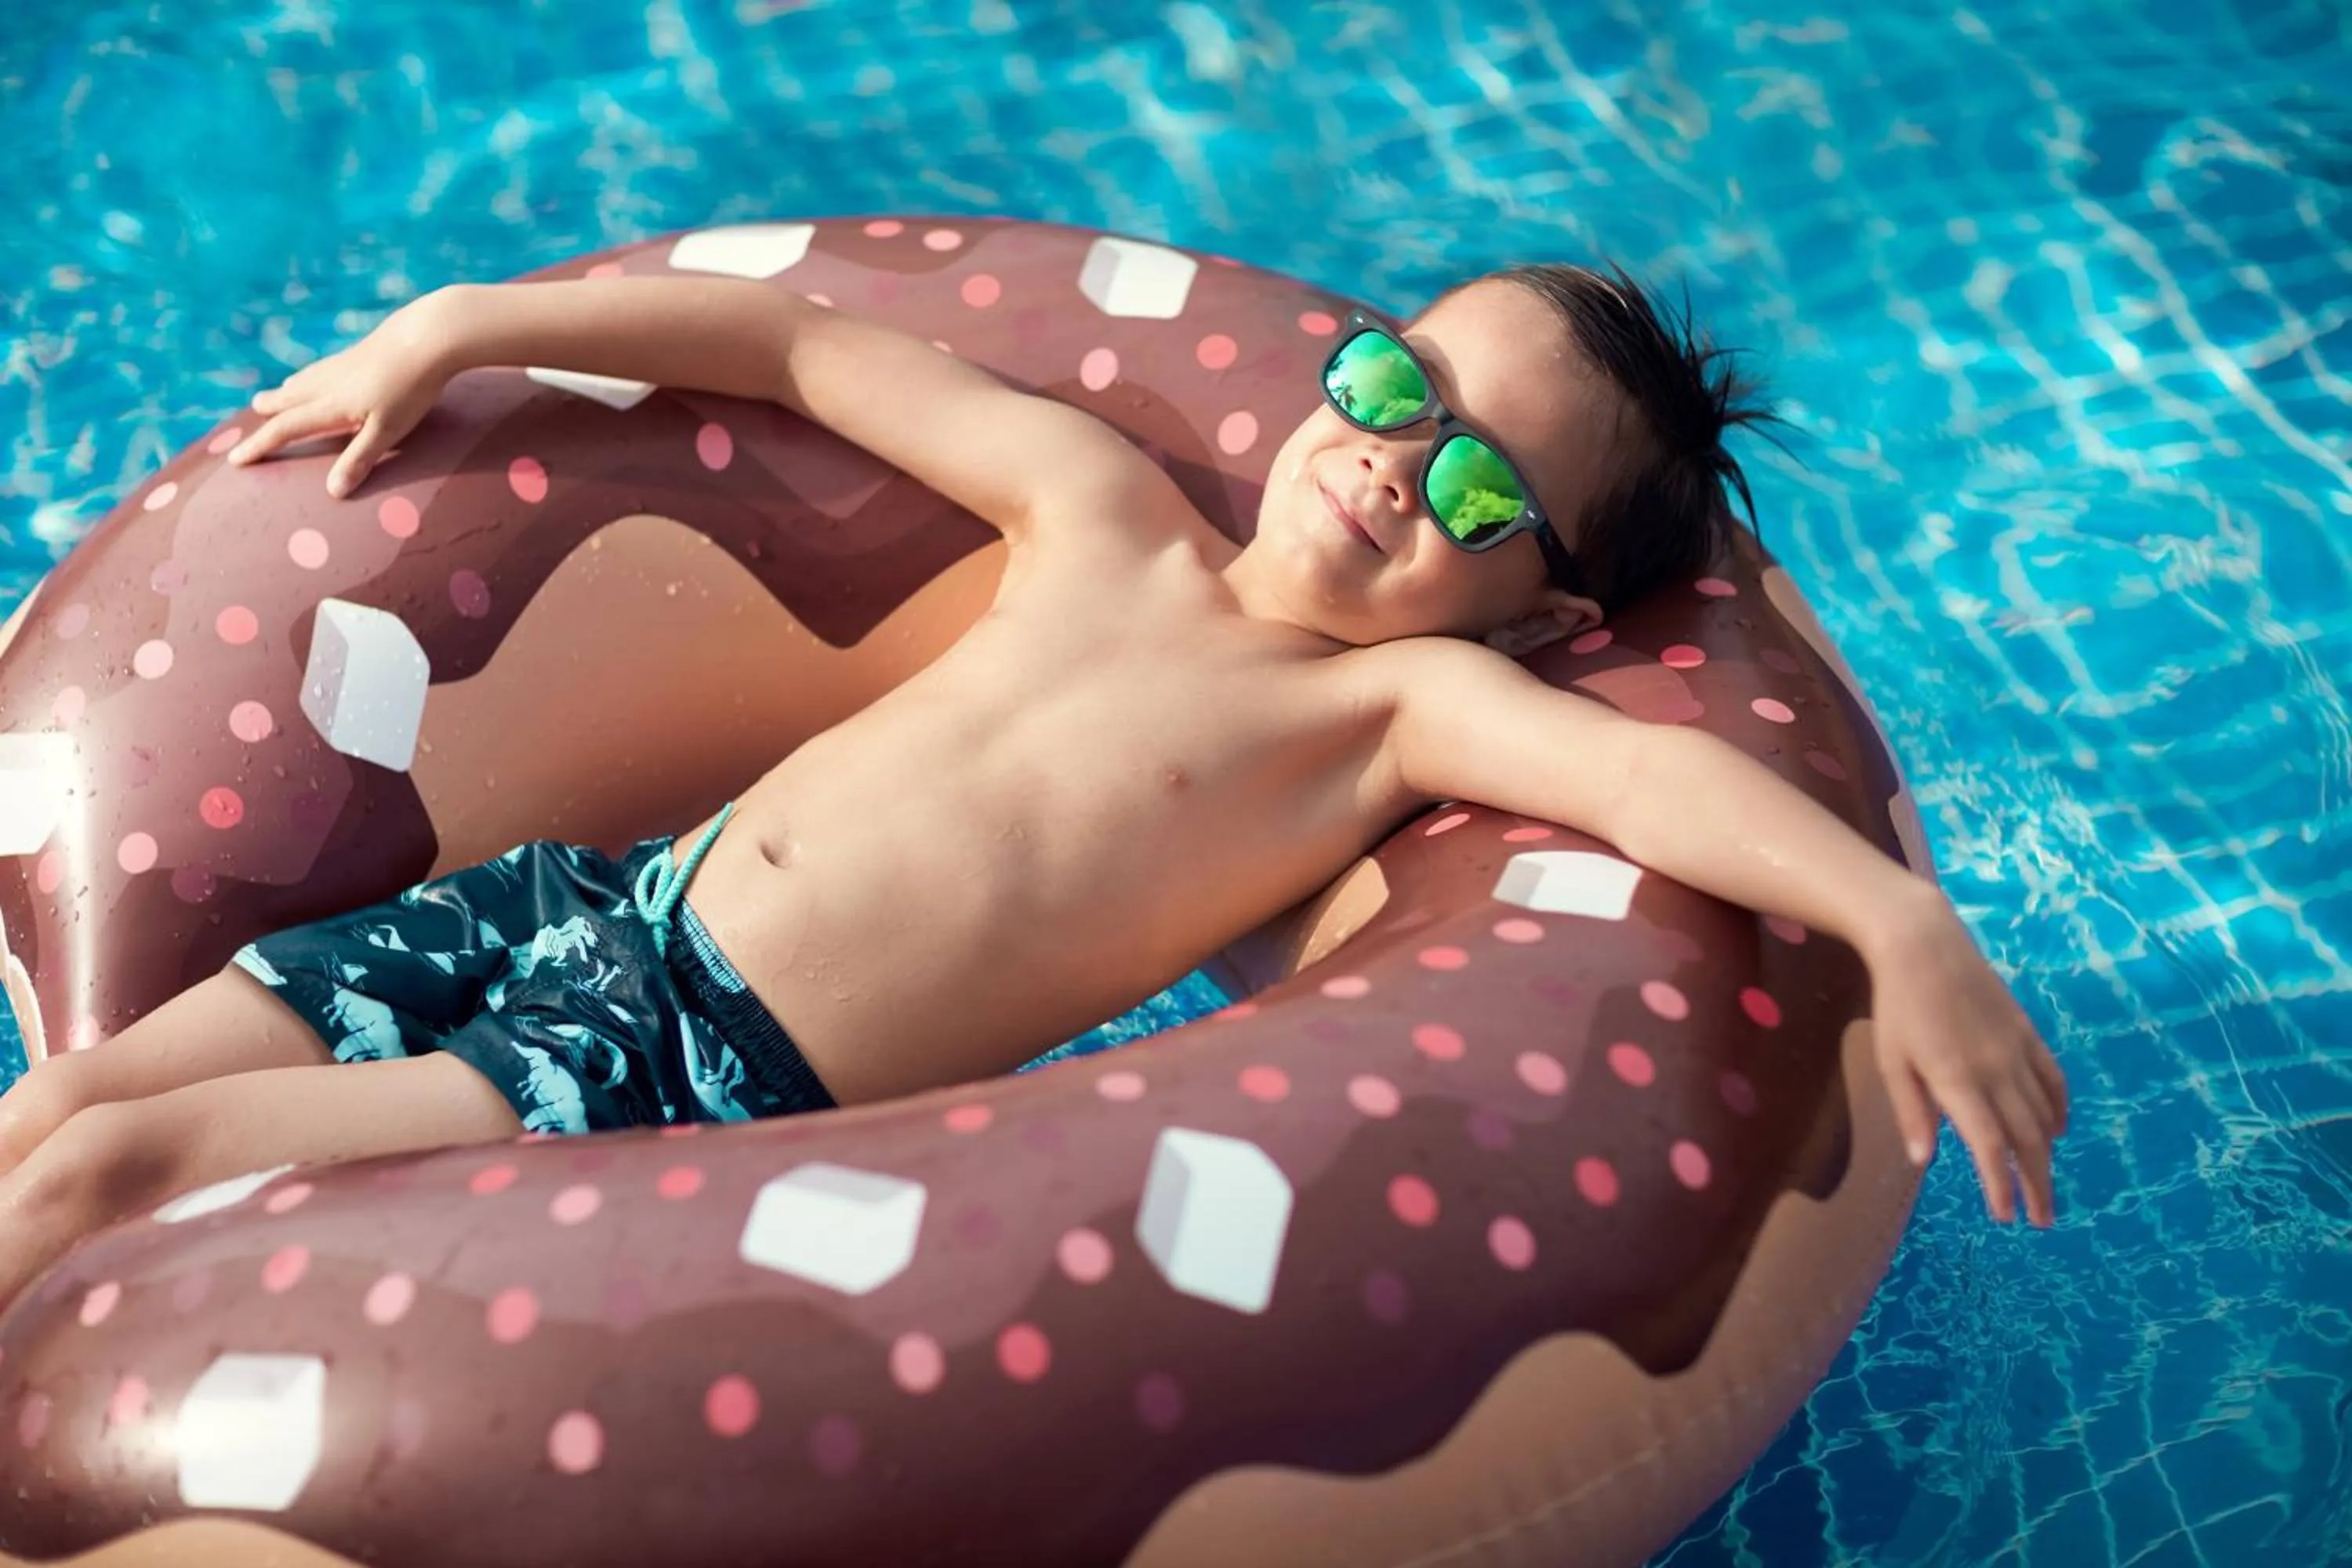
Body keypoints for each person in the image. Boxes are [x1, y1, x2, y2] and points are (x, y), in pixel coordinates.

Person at [0, 258, 2070, 1307]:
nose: (1386, 451)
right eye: (1390, 379)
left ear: (1534, 612)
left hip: (681, 1069)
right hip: (573, 900)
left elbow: (1655, 796)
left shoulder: (1390, 725)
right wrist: (466, 323)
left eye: (1473, 483)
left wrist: (1898, 913)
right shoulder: (1104, 512)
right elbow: (811, 354)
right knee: (74, 1100)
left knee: (110, 1186)